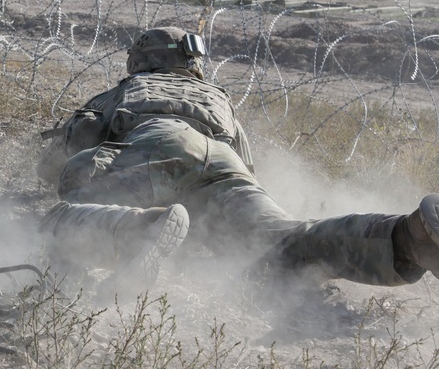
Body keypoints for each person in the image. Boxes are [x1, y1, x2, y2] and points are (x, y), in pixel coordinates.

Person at [36, 26, 439, 297]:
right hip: (224, 162)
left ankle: (143, 227)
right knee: (285, 241)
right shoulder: (218, 98)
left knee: (62, 213)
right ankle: (408, 238)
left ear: (141, 60)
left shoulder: (132, 87)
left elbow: (79, 141)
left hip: (158, 142)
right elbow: (247, 167)